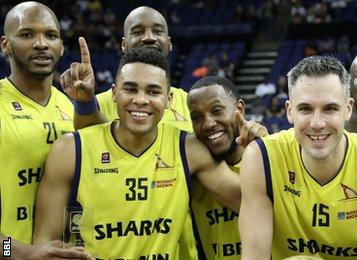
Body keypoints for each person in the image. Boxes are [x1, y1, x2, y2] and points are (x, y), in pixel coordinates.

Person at [34, 45, 243, 259]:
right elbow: (43, 246)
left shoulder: (188, 149)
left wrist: (258, 149)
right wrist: (8, 249)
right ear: (114, 93)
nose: (141, 100)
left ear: (169, 100)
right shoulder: (70, 150)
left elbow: (249, 200)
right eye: (131, 89)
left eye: (153, 91)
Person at [238, 55, 357, 260]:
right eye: (305, 109)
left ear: (348, 109)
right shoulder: (262, 158)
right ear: (289, 111)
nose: (317, 123)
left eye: (330, 108)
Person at [0, 2, 91, 259]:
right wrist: (22, 253)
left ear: (61, 47)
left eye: (51, 35)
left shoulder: (70, 106)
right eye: (27, 34)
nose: (41, 43)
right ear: (6, 44)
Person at [61, 6, 192, 133]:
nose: (149, 37)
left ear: (169, 44)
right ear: (123, 45)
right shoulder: (95, 106)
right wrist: (85, 104)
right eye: (138, 32)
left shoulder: (189, 103)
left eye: (157, 31)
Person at [188, 76, 268, 259]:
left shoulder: (272, 158)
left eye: (217, 110)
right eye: (196, 117)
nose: (208, 123)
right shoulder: (191, 169)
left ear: (239, 109)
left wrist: (268, 151)